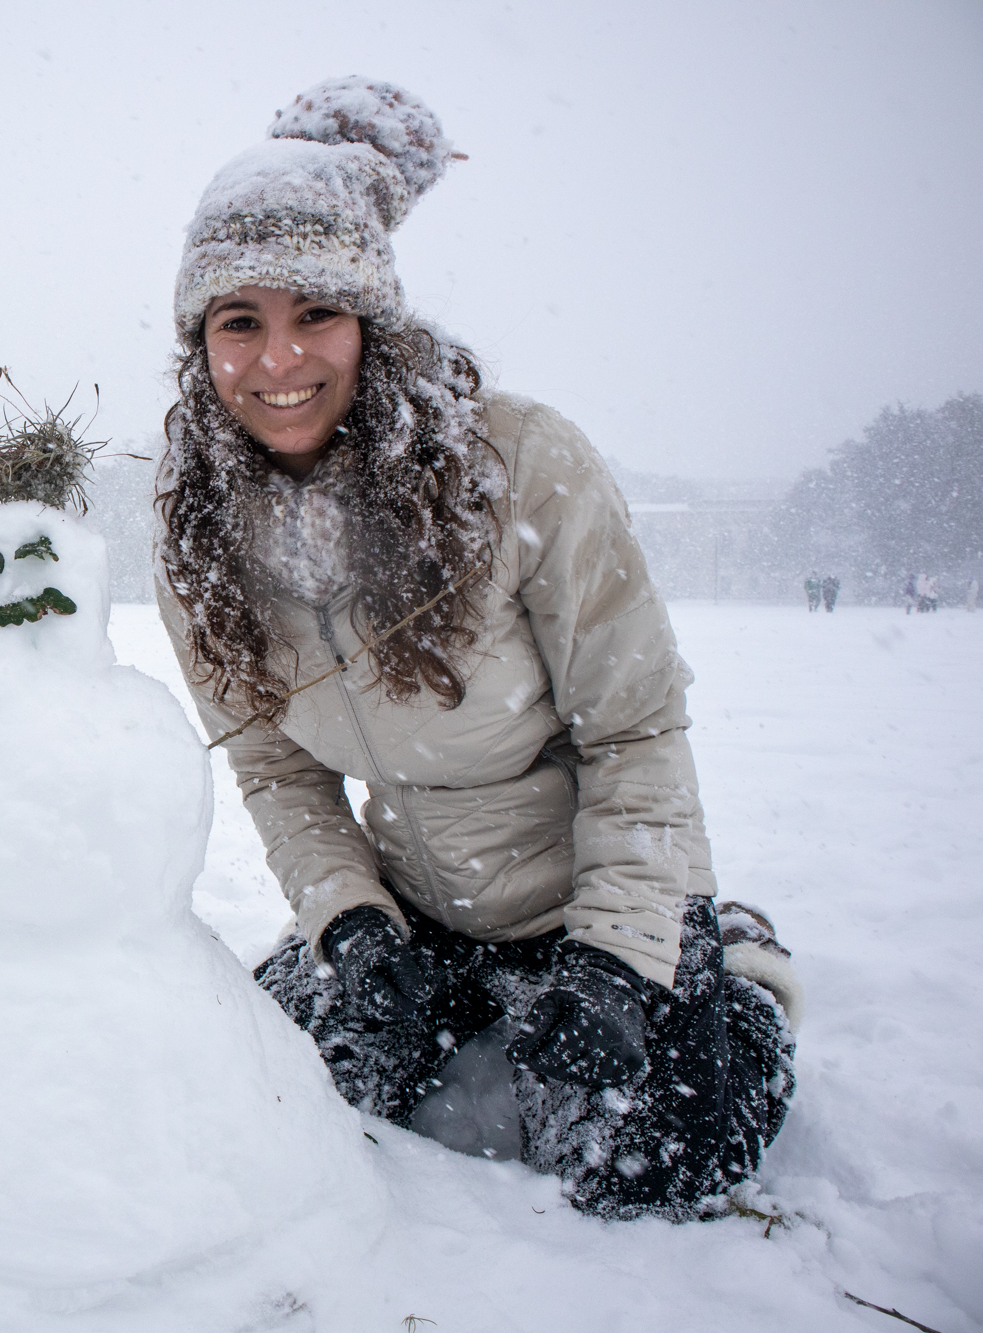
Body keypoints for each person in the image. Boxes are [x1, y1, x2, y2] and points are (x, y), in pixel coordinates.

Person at [154, 80, 802, 1221]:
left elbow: (636, 730)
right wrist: (348, 925)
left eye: (316, 312)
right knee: (286, 1096)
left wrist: (614, 959)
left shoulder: (521, 464)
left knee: (641, 1168)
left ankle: (727, 966)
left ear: (373, 323)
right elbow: (275, 768)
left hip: (590, 892)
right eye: (236, 322)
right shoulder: (196, 530)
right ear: (197, 343)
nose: (277, 360)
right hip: (416, 906)